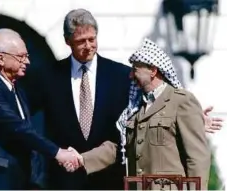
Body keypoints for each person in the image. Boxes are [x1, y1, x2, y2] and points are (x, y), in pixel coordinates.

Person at [0, 9, 222, 189]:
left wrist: (194, 118)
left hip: (111, 180)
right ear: (68, 41)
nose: (88, 46)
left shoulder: (123, 74)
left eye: (92, 39)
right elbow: (14, 109)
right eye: (81, 41)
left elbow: (148, 109)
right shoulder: (49, 76)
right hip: (65, 182)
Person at [73, 38, 211, 190]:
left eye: (135, 69)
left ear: (153, 70)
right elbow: (120, 148)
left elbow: (197, 158)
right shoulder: (135, 108)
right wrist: (81, 159)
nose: (131, 75)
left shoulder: (181, 101)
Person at [0, 28, 80, 190]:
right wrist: (58, 153)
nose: (27, 62)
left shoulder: (18, 91)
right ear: (1, 59)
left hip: (18, 179)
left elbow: (2, 120)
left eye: (27, 56)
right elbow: (15, 126)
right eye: (21, 57)